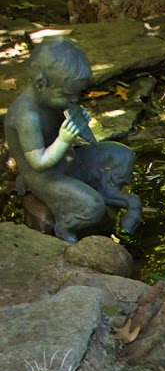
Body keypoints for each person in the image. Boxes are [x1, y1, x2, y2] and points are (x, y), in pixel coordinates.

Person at [4, 36, 141, 242]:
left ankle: (111, 194)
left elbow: (85, 141)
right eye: (67, 95)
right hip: (44, 177)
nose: (74, 100)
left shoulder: (53, 99)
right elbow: (38, 163)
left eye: (77, 94)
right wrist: (64, 139)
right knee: (92, 207)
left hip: (67, 162)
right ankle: (64, 230)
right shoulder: (27, 116)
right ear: (42, 84)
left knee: (122, 155)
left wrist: (81, 126)